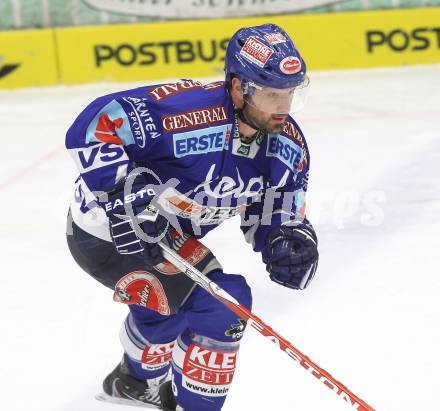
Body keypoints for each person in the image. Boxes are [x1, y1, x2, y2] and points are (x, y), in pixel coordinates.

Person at [65, 23, 319, 411]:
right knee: (225, 303)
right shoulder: (185, 113)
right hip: (105, 231)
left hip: (164, 234)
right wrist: (122, 195)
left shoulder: (285, 146)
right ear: (238, 87)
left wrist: (285, 240)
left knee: (175, 303)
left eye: (289, 94)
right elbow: (96, 124)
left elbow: (276, 209)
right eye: (271, 94)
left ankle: (135, 382)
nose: (283, 108)